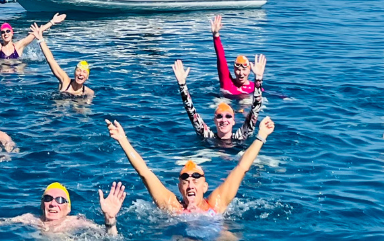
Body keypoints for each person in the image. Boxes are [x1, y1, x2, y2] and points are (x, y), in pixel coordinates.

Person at [105, 117, 275, 215]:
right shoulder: (172, 206)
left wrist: (261, 137)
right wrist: (123, 140)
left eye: (196, 177)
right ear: (179, 187)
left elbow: (242, 168)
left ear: (205, 186)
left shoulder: (216, 203)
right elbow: (144, 173)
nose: (190, 182)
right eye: (185, 178)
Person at [0, 168, 124, 235]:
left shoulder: (77, 222)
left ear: (68, 208)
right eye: (48, 199)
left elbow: (112, 240)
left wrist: (110, 220)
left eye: (60, 200)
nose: (53, 203)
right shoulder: (29, 220)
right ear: (42, 204)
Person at [172, 59, 265, 147]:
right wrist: (182, 84)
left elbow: (255, 108)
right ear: (214, 120)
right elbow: (190, 111)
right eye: (219, 116)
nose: (224, 120)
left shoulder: (241, 136)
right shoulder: (207, 136)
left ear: (233, 121)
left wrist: (258, 79)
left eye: (228, 116)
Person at [29, 24, 93, 98]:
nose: (81, 74)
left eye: (84, 72)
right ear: (74, 73)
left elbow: (87, 108)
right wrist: (40, 40)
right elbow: (51, 60)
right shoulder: (65, 81)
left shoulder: (89, 93)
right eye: (78, 70)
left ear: (87, 77)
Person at [209, 15, 261, 99]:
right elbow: (221, 57)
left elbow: (271, 94)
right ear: (234, 70)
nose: (241, 73)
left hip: (247, 106)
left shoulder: (254, 87)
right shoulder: (227, 82)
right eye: (238, 70)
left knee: (252, 101)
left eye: (244, 69)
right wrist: (216, 36)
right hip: (227, 106)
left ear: (249, 70)